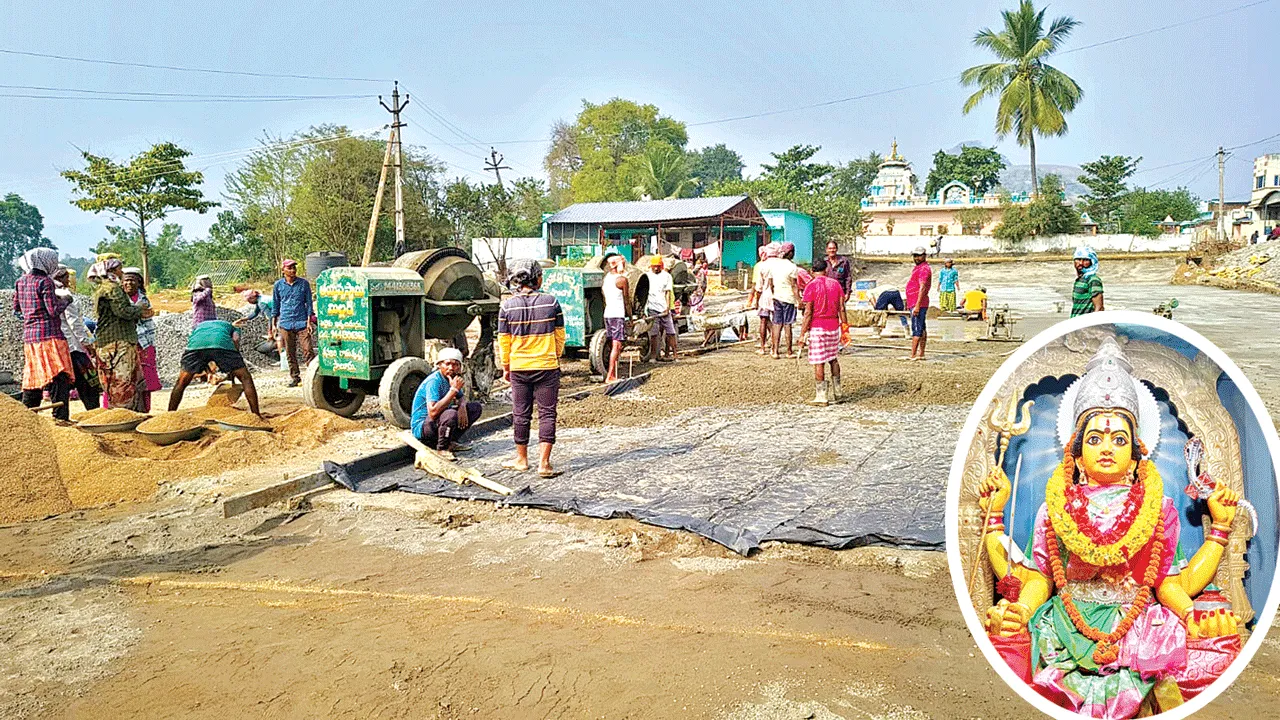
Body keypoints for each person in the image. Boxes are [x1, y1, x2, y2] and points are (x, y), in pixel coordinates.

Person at [978, 337, 1243, 718]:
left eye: (1119, 439)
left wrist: (1192, 612)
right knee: (1008, 641)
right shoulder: (1055, 507)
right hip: (1065, 625)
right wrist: (1020, 607)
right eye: (1095, 438)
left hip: (1142, 628)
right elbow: (1040, 578)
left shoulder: (1159, 507)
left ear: (1137, 454)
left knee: (1212, 649)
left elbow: (1168, 582)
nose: (1107, 447)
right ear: (1078, 451)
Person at [498, 259, 566, 478]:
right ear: (537, 278)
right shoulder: (551, 302)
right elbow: (560, 336)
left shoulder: (507, 306)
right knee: (547, 414)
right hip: (547, 366)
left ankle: (522, 460)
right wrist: (554, 356)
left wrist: (506, 366)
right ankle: (544, 464)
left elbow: (504, 341)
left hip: (519, 367)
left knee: (520, 413)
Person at [13, 248, 74, 421]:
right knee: (58, 376)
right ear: (46, 262)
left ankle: (28, 419)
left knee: (33, 378)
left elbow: (16, 310)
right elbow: (53, 310)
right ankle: (60, 418)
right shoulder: (45, 281)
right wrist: (66, 300)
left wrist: (30, 317)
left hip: (30, 339)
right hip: (50, 337)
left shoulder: (20, 281)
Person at [167, 319, 261, 416]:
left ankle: (170, 415)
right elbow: (235, 339)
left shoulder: (199, 326)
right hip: (221, 343)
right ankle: (256, 415)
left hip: (196, 346)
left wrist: (210, 370)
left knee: (181, 382)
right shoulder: (233, 327)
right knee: (245, 378)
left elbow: (203, 351)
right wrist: (235, 363)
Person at [90, 258, 146, 411]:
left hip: (104, 342)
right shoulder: (113, 289)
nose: (122, 273)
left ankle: (118, 414)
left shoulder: (101, 289)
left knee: (110, 381)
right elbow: (123, 312)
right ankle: (124, 416)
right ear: (113, 271)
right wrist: (139, 309)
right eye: (120, 269)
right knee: (122, 381)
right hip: (119, 341)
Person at [409, 348, 481, 461]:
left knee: (475, 408)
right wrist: (453, 390)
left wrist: (462, 406)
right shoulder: (434, 381)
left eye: (455, 365)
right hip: (423, 427)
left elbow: (461, 397)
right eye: (447, 364)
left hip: (438, 422)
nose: (451, 368)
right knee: (450, 414)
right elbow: (433, 413)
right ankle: (442, 448)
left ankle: (450, 441)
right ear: (439, 365)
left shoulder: (452, 379)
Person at [51, 266, 101, 411]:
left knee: (61, 384)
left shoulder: (48, 293)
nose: (69, 279)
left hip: (58, 345)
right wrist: (86, 343)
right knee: (88, 381)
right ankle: (94, 411)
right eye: (66, 276)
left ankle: (60, 415)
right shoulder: (65, 295)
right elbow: (74, 323)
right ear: (60, 277)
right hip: (73, 346)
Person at [799, 257, 848, 406]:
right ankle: (838, 392)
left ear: (812, 271)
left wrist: (802, 333)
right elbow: (842, 308)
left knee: (819, 361)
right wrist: (845, 328)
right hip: (834, 326)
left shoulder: (811, 286)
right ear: (826, 270)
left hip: (818, 327)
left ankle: (821, 396)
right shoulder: (836, 284)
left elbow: (808, 312)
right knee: (833, 358)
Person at [122, 267, 162, 412]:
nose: (128, 283)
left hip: (145, 342)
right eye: (125, 280)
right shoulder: (120, 299)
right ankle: (125, 410)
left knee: (145, 379)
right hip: (126, 342)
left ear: (139, 282)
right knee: (124, 378)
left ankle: (144, 409)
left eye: (132, 280)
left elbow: (147, 315)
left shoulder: (143, 299)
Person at [271, 259, 313, 387]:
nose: (293, 270)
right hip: (286, 322)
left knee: (308, 350)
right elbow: (275, 305)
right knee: (290, 351)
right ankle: (295, 377)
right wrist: (273, 324)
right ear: (283, 270)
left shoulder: (304, 284)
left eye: (294, 267)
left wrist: (309, 321)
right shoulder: (278, 286)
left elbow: (309, 304)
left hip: (302, 322)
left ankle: (312, 377)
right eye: (289, 268)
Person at [602, 252, 632, 383]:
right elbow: (627, 300)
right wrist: (630, 317)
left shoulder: (607, 277)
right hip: (617, 315)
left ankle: (612, 372)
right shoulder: (622, 280)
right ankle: (610, 375)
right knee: (617, 345)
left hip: (608, 314)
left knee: (613, 344)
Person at [767, 242, 800, 359]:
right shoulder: (792, 267)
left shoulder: (774, 265)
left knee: (776, 324)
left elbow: (770, 283)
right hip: (788, 298)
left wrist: (775, 293)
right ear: (790, 253)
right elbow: (794, 286)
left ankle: (775, 351)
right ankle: (789, 351)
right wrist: (799, 300)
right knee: (787, 325)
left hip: (777, 297)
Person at [645, 256, 678, 362]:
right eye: (654, 267)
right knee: (654, 334)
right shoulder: (647, 276)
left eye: (658, 267)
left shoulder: (667, 276)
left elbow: (668, 292)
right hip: (652, 308)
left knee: (671, 332)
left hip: (663, 308)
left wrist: (668, 307)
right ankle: (653, 356)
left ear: (661, 266)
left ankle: (675, 355)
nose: (655, 269)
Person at [905, 246, 931, 361]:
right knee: (921, 326)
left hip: (918, 302)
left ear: (924, 256)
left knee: (916, 328)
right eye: (915, 255)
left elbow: (923, 287)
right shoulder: (918, 268)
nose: (916, 258)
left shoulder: (923, 269)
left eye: (918, 255)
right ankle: (921, 353)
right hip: (915, 301)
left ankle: (913, 354)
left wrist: (917, 305)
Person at [750, 244, 776, 355]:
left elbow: (758, 286)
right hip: (778, 296)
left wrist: (756, 300)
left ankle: (762, 347)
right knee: (777, 322)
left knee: (763, 320)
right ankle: (775, 348)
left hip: (765, 296)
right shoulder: (781, 265)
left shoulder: (762, 266)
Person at [1071, 247, 1105, 317]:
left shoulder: (1093, 280)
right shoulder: (1080, 280)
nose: (1081, 263)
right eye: (1078, 259)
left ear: (1092, 262)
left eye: (1085, 260)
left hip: (1085, 325)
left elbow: (1099, 308)